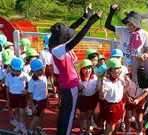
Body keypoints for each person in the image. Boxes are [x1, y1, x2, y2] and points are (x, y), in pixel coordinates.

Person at [48, 3, 103, 134]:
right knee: (70, 113)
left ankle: (61, 132)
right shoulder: (58, 51)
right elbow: (77, 38)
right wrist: (92, 20)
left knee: (64, 111)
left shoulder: (56, 44)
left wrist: (84, 16)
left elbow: (70, 31)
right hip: (70, 85)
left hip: (66, 84)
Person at [99, 58, 130, 135]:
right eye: (116, 68)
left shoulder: (121, 80)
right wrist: (102, 85)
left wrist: (128, 84)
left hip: (119, 105)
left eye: (120, 68)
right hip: (111, 106)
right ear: (109, 71)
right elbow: (101, 97)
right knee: (111, 127)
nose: (119, 70)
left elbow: (122, 92)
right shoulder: (107, 82)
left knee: (118, 124)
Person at [5, 58, 30, 134]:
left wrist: (27, 90)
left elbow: (31, 83)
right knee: (16, 112)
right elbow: (7, 88)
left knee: (22, 112)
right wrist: (8, 99)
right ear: (11, 68)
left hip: (21, 96)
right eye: (15, 70)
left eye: (18, 70)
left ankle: (23, 126)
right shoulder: (8, 76)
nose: (17, 72)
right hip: (12, 95)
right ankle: (19, 125)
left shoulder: (24, 75)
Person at [27, 59, 48, 135]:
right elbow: (30, 94)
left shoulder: (44, 77)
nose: (39, 72)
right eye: (37, 71)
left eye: (40, 70)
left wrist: (47, 98)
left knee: (41, 115)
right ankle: (29, 131)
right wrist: (32, 106)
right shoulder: (32, 81)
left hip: (43, 99)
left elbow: (45, 87)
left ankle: (38, 128)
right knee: (36, 118)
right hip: (37, 101)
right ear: (33, 71)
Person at [78, 59, 99, 135]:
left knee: (89, 116)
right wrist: (81, 89)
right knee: (83, 117)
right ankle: (81, 130)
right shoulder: (79, 79)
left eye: (89, 68)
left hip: (91, 99)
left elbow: (98, 86)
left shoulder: (95, 78)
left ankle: (87, 130)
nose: (87, 70)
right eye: (85, 69)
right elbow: (78, 93)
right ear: (81, 70)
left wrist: (98, 88)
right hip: (83, 99)